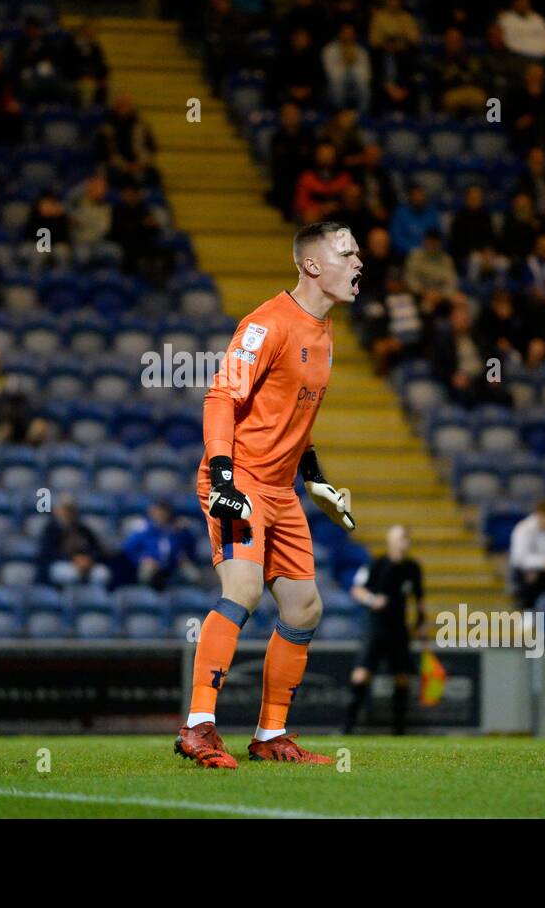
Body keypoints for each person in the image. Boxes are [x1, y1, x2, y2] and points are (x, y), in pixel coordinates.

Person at [176, 221, 362, 768]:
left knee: (305, 608)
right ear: (311, 265)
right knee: (245, 588)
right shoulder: (267, 324)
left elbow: (293, 420)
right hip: (239, 479)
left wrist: (315, 477)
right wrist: (225, 478)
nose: (359, 263)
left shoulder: (325, 334)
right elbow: (219, 397)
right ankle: (198, 727)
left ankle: (270, 734)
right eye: (346, 253)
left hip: (281, 488)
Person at [344, 525, 424, 736]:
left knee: (402, 677)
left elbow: (419, 599)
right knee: (361, 675)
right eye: (400, 538)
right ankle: (348, 728)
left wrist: (420, 622)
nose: (404, 542)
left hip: (399, 629)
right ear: (390, 541)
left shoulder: (413, 568)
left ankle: (399, 730)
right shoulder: (376, 564)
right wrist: (372, 600)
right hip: (376, 627)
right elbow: (357, 589)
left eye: (406, 537)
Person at [120, 500, 198, 590]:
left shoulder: (176, 529)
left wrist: (185, 533)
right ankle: (145, 594)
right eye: (158, 512)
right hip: (152, 562)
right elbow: (129, 548)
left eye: (163, 512)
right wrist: (141, 559)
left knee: (193, 574)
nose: (160, 515)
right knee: (146, 572)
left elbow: (190, 546)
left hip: (173, 562)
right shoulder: (144, 528)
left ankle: (188, 597)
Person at [37, 494, 111, 587]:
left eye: (71, 509)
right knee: (71, 574)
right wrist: (73, 560)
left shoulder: (82, 529)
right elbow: (48, 554)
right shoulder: (50, 529)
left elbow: (97, 549)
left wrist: (89, 560)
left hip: (85, 565)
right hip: (59, 565)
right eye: (64, 509)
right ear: (57, 510)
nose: (68, 513)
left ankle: (94, 598)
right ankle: (67, 599)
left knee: (102, 573)